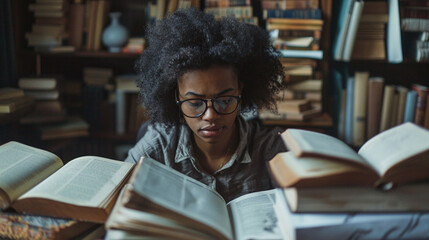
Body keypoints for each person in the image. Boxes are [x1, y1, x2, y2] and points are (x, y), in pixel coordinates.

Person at [125, 8, 287, 202]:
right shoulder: (158, 145)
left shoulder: (271, 150)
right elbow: (116, 198)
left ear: (240, 91)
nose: (210, 115)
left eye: (225, 101)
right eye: (194, 103)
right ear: (176, 96)